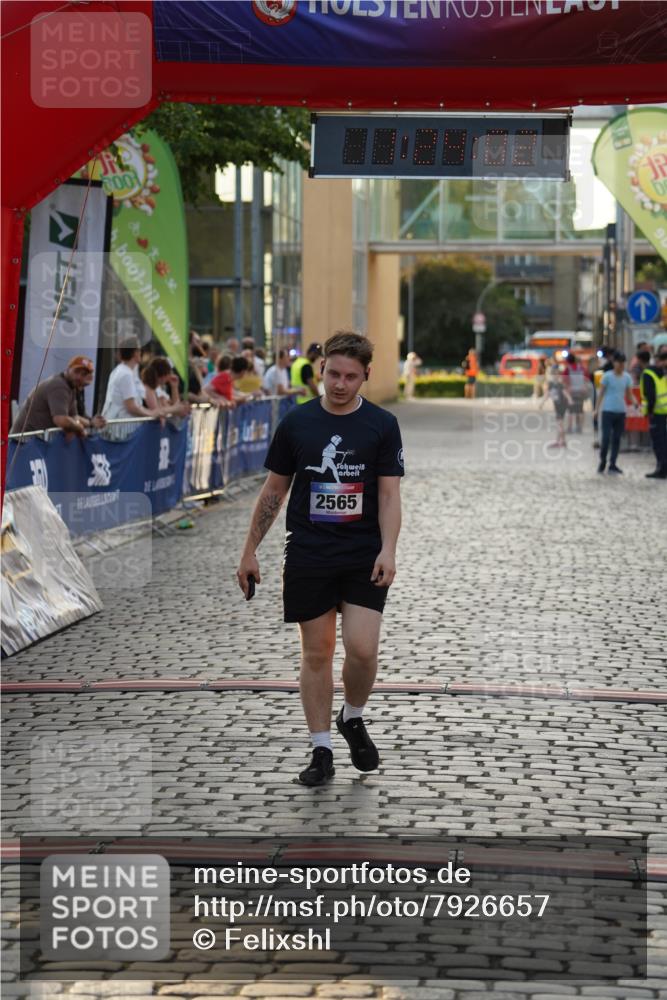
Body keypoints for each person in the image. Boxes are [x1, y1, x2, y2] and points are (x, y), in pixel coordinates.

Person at [236, 331, 404, 787]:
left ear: (365, 375)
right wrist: (250, 549)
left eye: (351, 376)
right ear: (321, 370)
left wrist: (389, 549)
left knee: (363, 649)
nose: (340, 384)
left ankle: (353, 716)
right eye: (333, 374)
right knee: (317, 652)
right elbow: (274, 491)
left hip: (362, 554)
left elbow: (389, 495)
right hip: (309, 553)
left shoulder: (382, 425)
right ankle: (321, 749)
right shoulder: (297, 423)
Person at [11, 355, 105, 437]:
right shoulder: (59, 386)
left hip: (35, 442)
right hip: (22, 443)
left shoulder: (70, 387)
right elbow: (61, 420)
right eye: (77, 371)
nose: (79, 377)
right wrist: (80, 429)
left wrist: (91, 423)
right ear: (68, 369)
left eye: (84, 374)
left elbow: (74, 417)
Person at [102, 338, 158, 440]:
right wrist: (151, 414)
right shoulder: (125, 374)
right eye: (139, 350)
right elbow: (131, 407)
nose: (141, 352)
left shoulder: (123, 371)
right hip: (120, 433)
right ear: (135, 353)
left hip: (122, 431)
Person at [593, 350, 637, 474]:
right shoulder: (607, 376)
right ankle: (603, 460)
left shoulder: (627, 377)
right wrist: (596, 409)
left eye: (623, 363)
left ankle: (613, 463)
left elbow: (629, 394)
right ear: (614, 363)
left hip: (620, 411)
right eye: (619, 362)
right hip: (607, 410)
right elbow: (600, 394)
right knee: (606, 438)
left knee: (617, 438)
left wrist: (635, 402)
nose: (621, 365)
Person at [640, 346, 667, 479]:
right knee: (663, 441)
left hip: (656, 412)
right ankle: (663, 467)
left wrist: (649, 411)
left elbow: (650, 395)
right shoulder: (661, 372)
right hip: (664, 410)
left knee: (658, 442)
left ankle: (661, 469)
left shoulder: (648, 373)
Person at [546, 354, 572, 449]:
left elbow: (564, 392)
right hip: (561, 405)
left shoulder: (555, 383)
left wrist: (570, 399)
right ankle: (559, 441)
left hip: (560, 405)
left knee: (560, 424)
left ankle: (562, 441)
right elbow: (549, 394)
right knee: (560, 423)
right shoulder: (557, 382)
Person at [562, 351, 589, 434]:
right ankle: (579, 427)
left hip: (571, 391)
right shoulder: (582, 368)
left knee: (571, 410)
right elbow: (586, 379)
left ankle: (570, 428)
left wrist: (566, 389)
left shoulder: (567, 369)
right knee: (580, 410)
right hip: (581, 391)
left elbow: (565, 381)